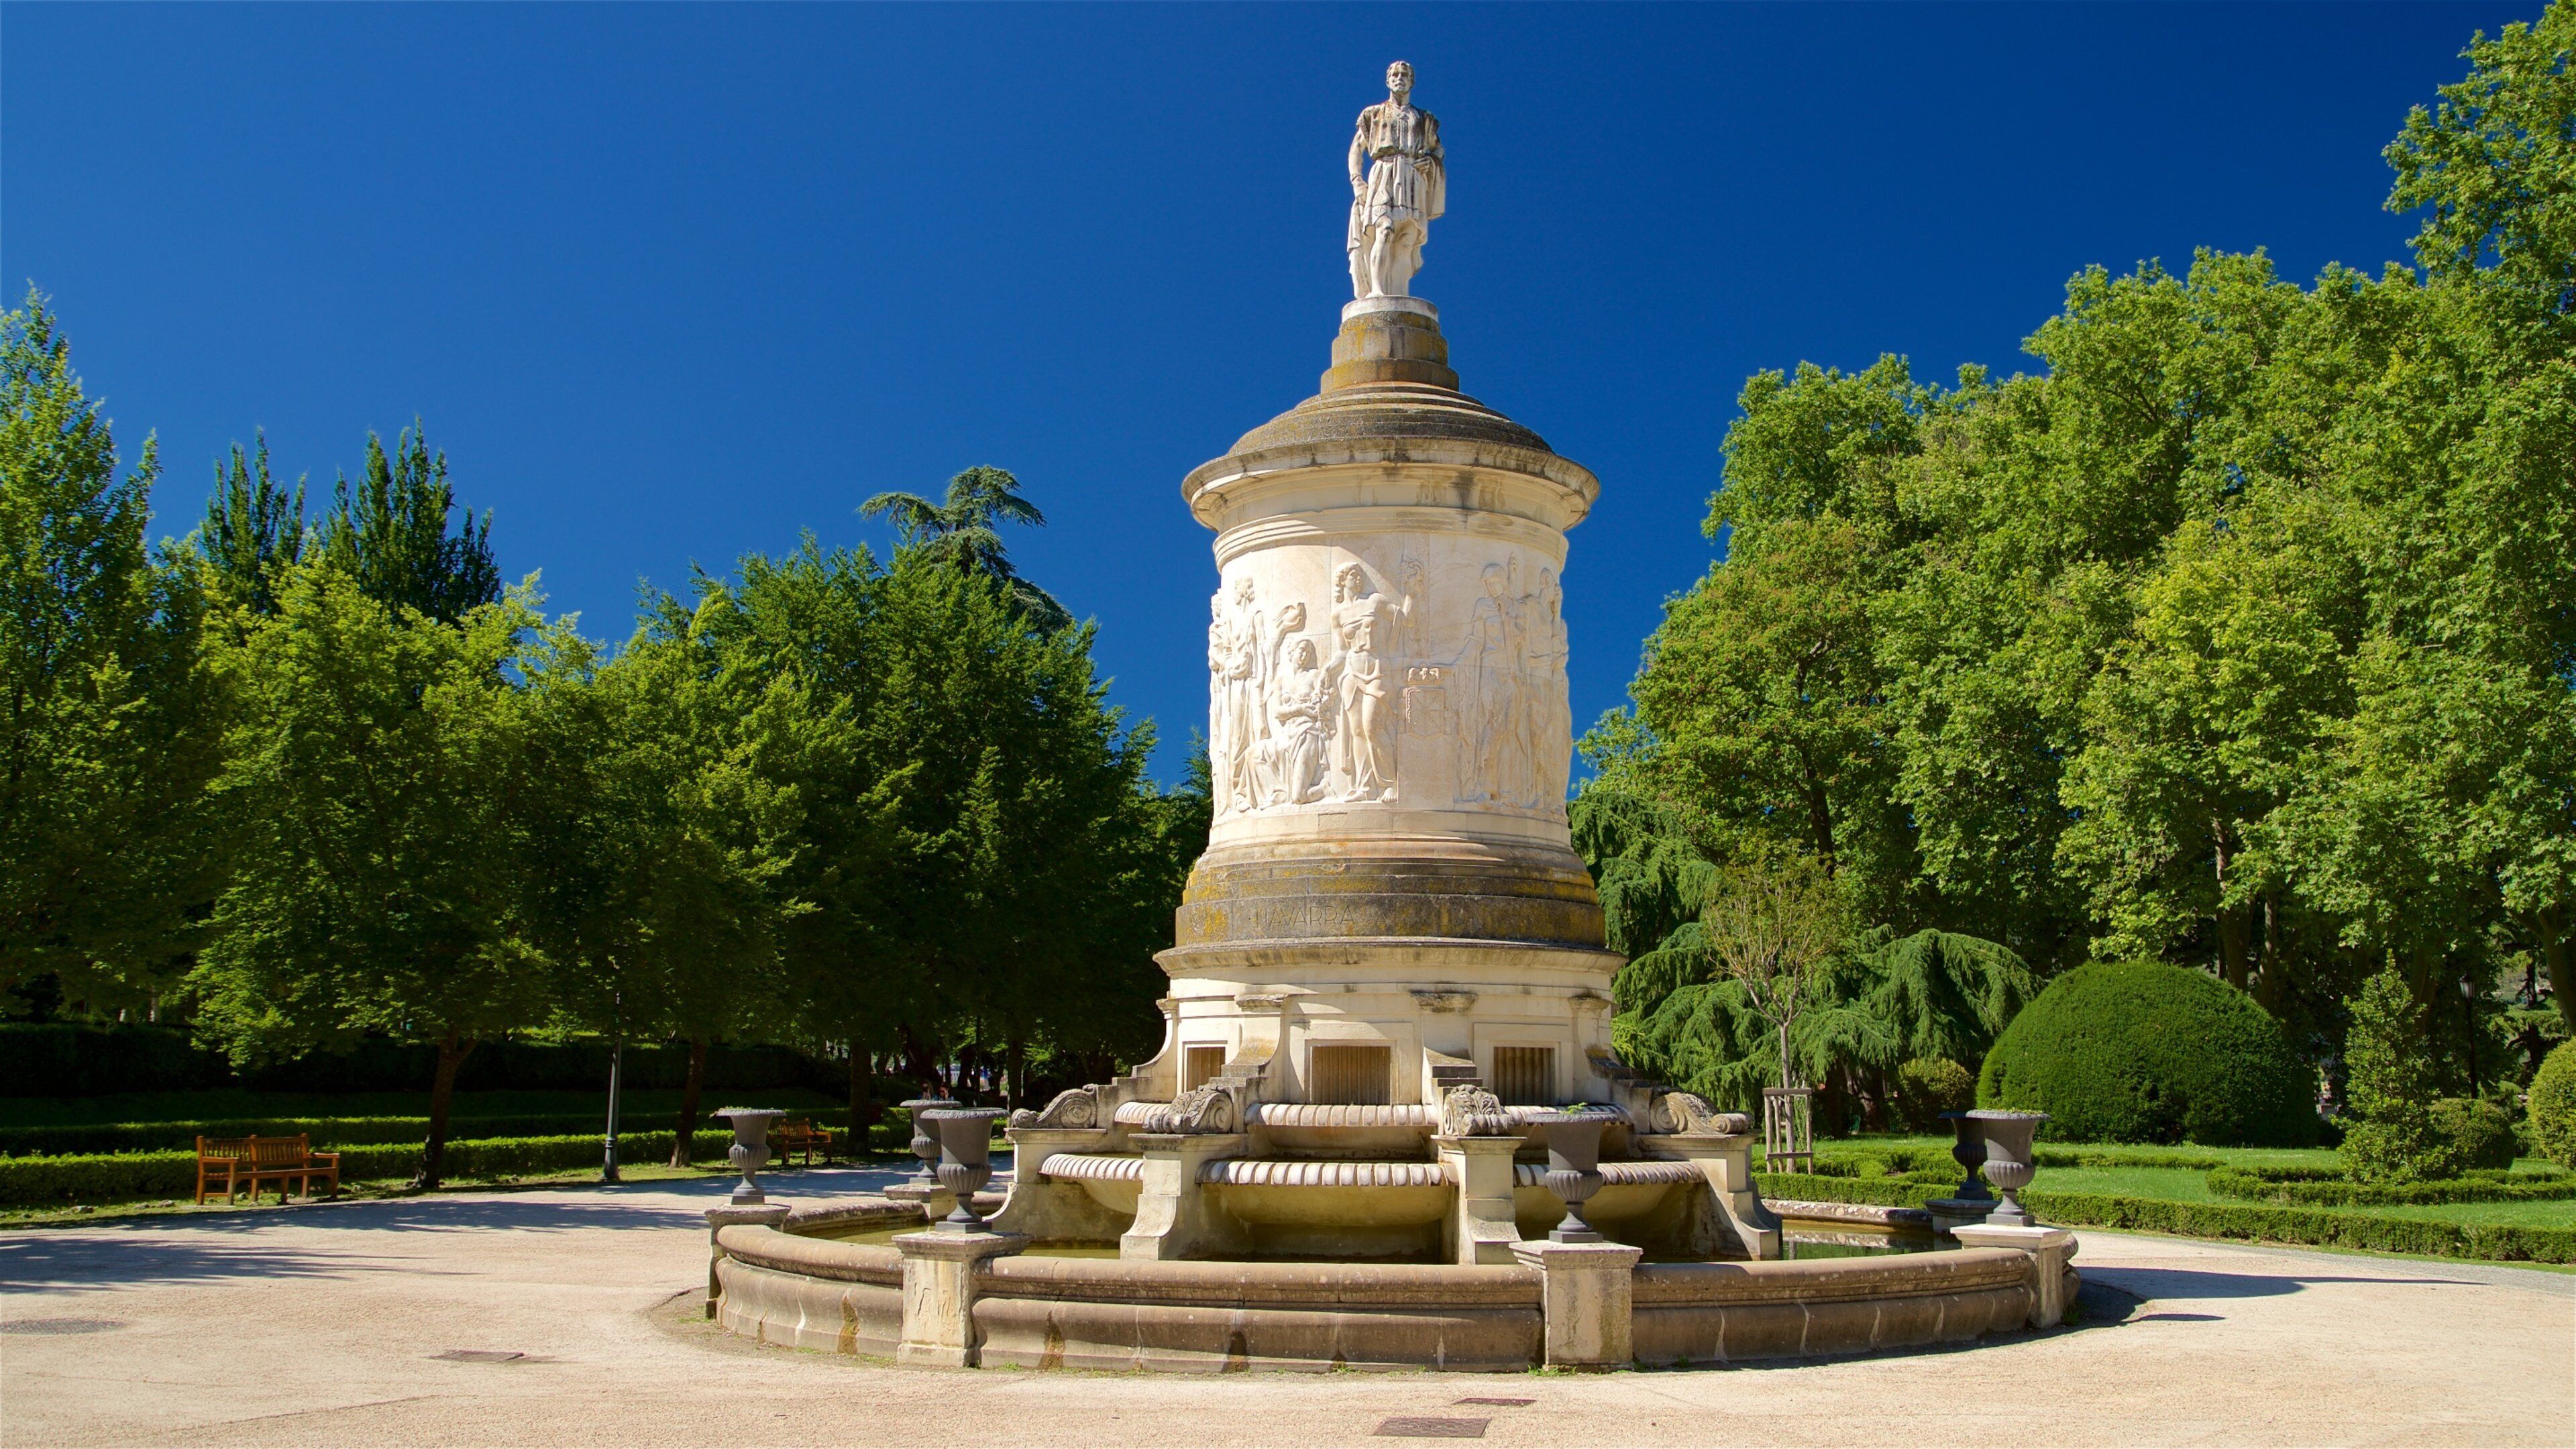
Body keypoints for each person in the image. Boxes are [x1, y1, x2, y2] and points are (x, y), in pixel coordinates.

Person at [1346, 61, 1446, 299]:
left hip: (1413, 176)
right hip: (1384, 172)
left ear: (1412, 82)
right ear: (1388, 81)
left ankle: (1400, 294)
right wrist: (1357, 180)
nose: (1399, 78)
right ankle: (1377, 290)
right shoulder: (1374, 114)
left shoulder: (1423, 118)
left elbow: (1438, 149)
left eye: (1404, 75)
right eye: (1395, 75)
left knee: (1406, 241)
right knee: (1385, 229)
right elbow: (1356, 149)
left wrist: (1431, 161)